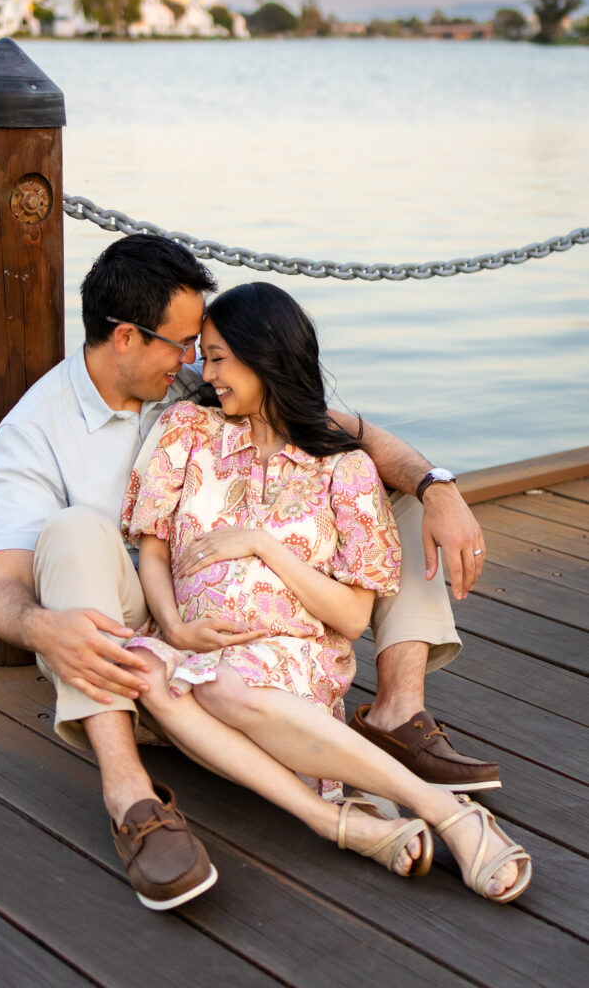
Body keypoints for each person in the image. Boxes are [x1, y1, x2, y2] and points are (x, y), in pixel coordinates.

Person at [0, 234, 497, 911]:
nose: (196, 359)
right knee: (75, 529)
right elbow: (3, 594)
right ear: (127, 337)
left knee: (390, 488)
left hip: (240, 620)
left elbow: (343, 431)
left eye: (205, 347)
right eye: (183, 342)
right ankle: (132, 798)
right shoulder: (33, 437)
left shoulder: (196, 386)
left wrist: (438, 487)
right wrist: (46, 628)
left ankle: (400, 709)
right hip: (118, 629)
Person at [119, 281, 531, 904]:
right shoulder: (188, 431)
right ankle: (339, 820)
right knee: (149, 667)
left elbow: (348, 613)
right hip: (192, 642)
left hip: (292, 657)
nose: (206, 371)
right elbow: (152, 547)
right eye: (203, 355)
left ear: (266, 358)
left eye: (220, 356)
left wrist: (263, 544)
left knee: (217, 684)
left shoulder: (344, 468)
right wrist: (173, 628)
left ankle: (439, 811)